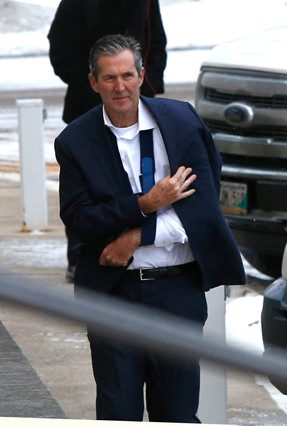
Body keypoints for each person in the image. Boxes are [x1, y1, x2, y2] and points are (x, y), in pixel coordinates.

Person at [54, 34, 246, 422]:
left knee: (176, 414)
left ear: (143, 75)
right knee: (118, 412)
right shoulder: (74, 141)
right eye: (109, 78)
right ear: (93, 83)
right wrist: (145, 204)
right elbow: (80, 221)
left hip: (176, 291)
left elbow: (204, 204)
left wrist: (140, 234)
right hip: (113, 293)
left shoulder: (181, 121)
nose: (120, 87)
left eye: (128, 75)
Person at [48, 0, 167, 283]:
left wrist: (147, 86)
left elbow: (155, 40)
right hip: (86, 105)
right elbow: (60, 45)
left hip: (136, 103)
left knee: (137, 179)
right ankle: (79, 255)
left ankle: (137, 246)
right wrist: (92, 86)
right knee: (87, 187)